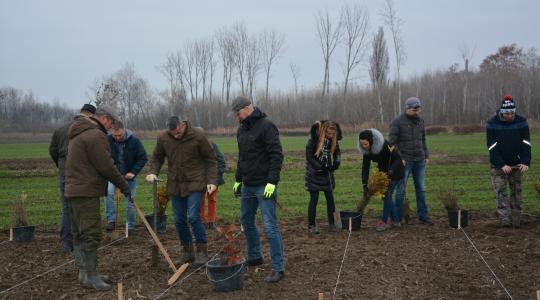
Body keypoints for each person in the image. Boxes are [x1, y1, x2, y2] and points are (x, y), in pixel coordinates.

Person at [65, 105, 131, 291]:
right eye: (110, 122)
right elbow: (106, 166)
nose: (110, 127)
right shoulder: (95, 135)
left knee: (79, 232)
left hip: (74, 190)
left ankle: (85, 273)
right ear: (103, 118)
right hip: (86, 192)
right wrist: (124, 186)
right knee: (91, 233)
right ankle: (91, 276)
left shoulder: (79, 132)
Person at [146, 116, 217, 267]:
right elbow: (157, 158)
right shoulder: (164, 138)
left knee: (193, 217)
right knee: (178, 220)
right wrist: (153, 172)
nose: (176, 135)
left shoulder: (198, 135)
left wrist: (211, 181)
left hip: (195, 182)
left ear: (182, 125)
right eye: (173, 133)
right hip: (175, 184)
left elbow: (210, 159)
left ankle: (202, 251)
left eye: (177, 132)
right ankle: (187, 251)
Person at [231, 96, 285, 283]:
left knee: (269, 226)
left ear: (247, 108)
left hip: (264, 185)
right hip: (248, 184)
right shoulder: (241, 129)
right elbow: (242, 158)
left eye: (238, 113)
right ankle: (255, 256)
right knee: (246, 220)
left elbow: (276, 155)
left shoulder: (266, 126)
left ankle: (278, 267)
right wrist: (238, 180)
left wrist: (272, 182)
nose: (237, 117)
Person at [49, 103, 96, 252]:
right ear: (91, 115)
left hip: (64, 171)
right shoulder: (87, 130)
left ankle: (66, 242)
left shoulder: (60, 129)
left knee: (66, 208)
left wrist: (61, 165)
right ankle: (80, 240)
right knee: (81, 207)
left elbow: (52, 150)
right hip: (81, 173)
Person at [486, 95, 531, 227]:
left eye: (512, 112)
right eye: (507, 113)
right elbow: (491, 145)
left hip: (517, 164)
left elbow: (526, 142)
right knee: (501, 192)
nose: (510, 115)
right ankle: (504, 219)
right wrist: (501, 164)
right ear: (502, 112)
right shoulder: (492, 123)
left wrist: (525, 161)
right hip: (498, 166)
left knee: (517, 192)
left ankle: (517, 218)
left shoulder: (522, 121)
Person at [388, 97, 433, 225]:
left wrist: (426, 155)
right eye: (414, 109)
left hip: (420, 160)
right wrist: (399, 158)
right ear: (407, 108)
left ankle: (423, 216)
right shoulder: (397, 122)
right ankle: (397, 218)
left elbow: (423, 139)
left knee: (421, 189)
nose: (416, 111)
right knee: (400, 190)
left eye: (418, 109)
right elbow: (391, 143)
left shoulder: (421, 121)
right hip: (404, 161)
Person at [104, 121, 148, 233]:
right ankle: (111, 221)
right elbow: (103, 157)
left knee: (130, 201)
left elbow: (143, 158)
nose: (118, 138)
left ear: (124, 130)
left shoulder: (135, 142)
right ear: (111, 132)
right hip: (113, 175)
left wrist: (133, 172)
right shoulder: (107, 140)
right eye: (115, 135)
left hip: (129, 177)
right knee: (108, 193)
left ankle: (130, 226)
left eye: (120, 135)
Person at [358, 128, 405, 232]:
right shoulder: (367, 151)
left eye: (365, 144)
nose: (364, 146)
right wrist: (365, 185)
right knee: (385, 197)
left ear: (371, 141)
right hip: (383, 172)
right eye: (362, 144)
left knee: (386, 195)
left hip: (396, 171)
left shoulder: (386, 145)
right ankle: (396, 221)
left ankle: (384, 222)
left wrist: (391, 171)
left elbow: (398, 158)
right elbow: (365, 168)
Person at [305, 120, 342, 234]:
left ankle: (332, 224)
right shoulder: (313, 140)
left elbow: (337, 153)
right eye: (329, 134)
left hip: (327, 174)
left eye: (333, 134)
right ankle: (311, 225)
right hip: (314, 174)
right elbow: (309, 156)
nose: (331, 136)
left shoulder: (333, 140)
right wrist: (319, 166)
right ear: (324, 131)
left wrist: (336, 163)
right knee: (314, 200)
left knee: (330, 199)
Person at [200, 141, 226, 229]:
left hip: (212, 178)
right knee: (200, 200)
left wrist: (217, 175)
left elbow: (221, 161)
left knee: (212, 199)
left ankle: (211, 221)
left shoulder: (213, 145)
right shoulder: (193, 146)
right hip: (199, 178)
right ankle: (202, 221)